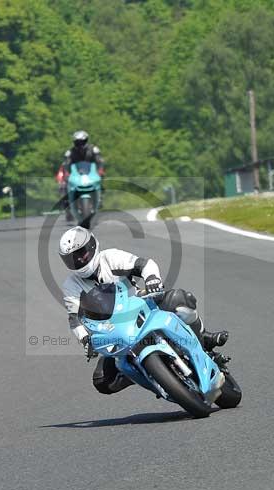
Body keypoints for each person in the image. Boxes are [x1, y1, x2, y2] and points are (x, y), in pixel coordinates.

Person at [58, 226, 229, 395]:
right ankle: (146, 374)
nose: (79, 260)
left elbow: (144, 264)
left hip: (140, 304)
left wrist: (152, 278)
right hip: (113, 330)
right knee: (102, 380)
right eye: (73, 258)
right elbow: (74, 318)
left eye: (82, 253)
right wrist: (85, 338)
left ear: (92, 246)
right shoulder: (71, 285)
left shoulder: (110, 257)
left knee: (179, 299)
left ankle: (203, 337)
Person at [56, 131, 105, 219]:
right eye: (78, 142)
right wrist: (66, 173)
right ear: (74, 142)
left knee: (101, 179)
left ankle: (100, 196)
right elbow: (66, 164)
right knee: (64, 184)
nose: (80, 144)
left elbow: (99, 161)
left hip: (91, 173)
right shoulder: (70, 152)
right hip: (76, 174)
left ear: (86, 140)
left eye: (82, 142)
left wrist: (100, 170)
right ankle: (67, 201)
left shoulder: (93, 149)